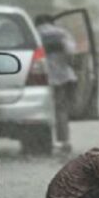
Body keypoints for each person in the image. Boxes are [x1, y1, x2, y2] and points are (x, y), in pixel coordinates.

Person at [35, 14, 77, 154]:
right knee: (61, 110)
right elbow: (71, 51)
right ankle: (63, 141)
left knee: (41, 111)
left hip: (40, 79)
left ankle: (41, 142)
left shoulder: (34, 32)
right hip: (63, 77)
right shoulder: (61, 33)